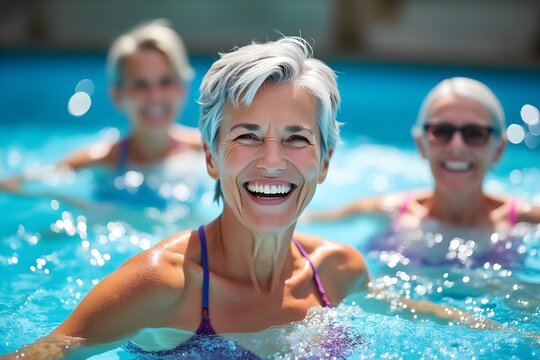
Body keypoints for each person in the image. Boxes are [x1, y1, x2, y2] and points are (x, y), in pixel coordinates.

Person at [5, 39, 518, 360]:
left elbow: (404, 310)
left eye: (296, 138)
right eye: (247, 136)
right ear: (211, 158)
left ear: (325, 162)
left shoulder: (337, 270)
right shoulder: (163, 286)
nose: (272, 161)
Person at [307, 77, 540, 267]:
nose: (457, 146)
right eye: (441, 131)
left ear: (498, 149)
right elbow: (307, 224)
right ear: (421, 144)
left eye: (475, 133)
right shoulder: (383, 211)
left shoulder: (529, 221)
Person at [0, 19, 204, 210]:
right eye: (141, 85)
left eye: (165, 82)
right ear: (118, 96)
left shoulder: (206, 149)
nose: (155, 96)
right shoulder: (97, 160)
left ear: (182, 88)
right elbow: (19, 185)